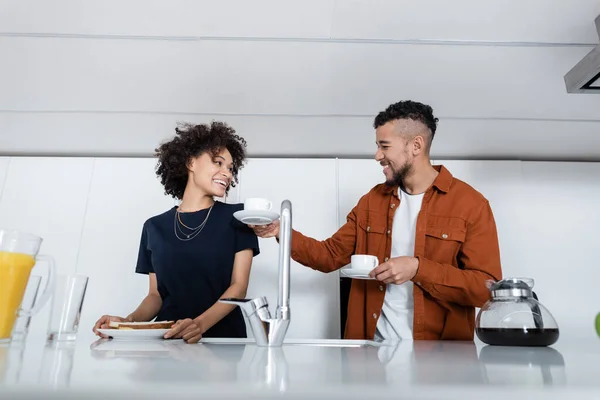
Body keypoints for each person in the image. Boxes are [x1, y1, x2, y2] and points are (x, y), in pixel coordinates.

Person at [252, 100, 502, 341]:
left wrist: (418, 268)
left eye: (384, 146)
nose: (377, 155)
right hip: (371, 353)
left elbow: (486, 290)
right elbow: (329, 255)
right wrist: (280, 231)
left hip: (439, 361)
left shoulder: (471, 205)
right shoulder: (372, 201)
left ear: (416, 145)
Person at [93, 121, 260, 343]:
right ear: (191, 162)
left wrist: (198, 325)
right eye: (218, 162)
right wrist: (126, 322)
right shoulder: (154, 227)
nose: (227, 174)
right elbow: (156, 296)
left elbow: (239, 287)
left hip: (223, 343)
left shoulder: (238, 217)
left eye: (230, 168)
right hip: (168, 340)